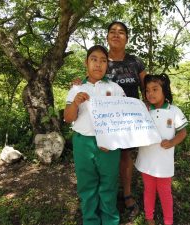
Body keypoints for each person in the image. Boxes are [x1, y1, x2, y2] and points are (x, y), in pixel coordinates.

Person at [72, 21, 147, 218]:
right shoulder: (101, 62)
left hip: (125, 122)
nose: (116, 35)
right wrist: (76, 87)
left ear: (127, 38)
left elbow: (147, 87)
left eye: (121, 32)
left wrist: (151, 111)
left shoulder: (135, 62)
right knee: (102, 169)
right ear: (107, 36)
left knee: (124, 158)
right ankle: (97, 210)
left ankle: (127, 194)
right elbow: (91, 78)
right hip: (98, 130)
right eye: (112, 32)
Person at [64, 45, 125, 225]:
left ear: (107, 65)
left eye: (103, 60)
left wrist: (112, 140)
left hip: (109, 143)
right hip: (83, 143)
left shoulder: (115, 88)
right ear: (86, 63)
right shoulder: (76, 88)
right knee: (86, 184)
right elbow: (68, 118)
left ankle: (110, 220)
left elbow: (123, 119)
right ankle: (90, 220)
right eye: (94, 59)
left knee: (109, 183)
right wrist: (75, 103)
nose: (98, 64)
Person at [135, 74, 188, 225]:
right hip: (146, 159)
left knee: (165, 192)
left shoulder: (174, 111)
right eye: (147, 90)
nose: (150, 93)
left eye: (155, 89)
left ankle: (168, 221)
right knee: (149, 190)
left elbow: (183, 132)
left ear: (165, 90)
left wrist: (172, 142)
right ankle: (149, 217)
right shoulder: (144, 110)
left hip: (163, 162)